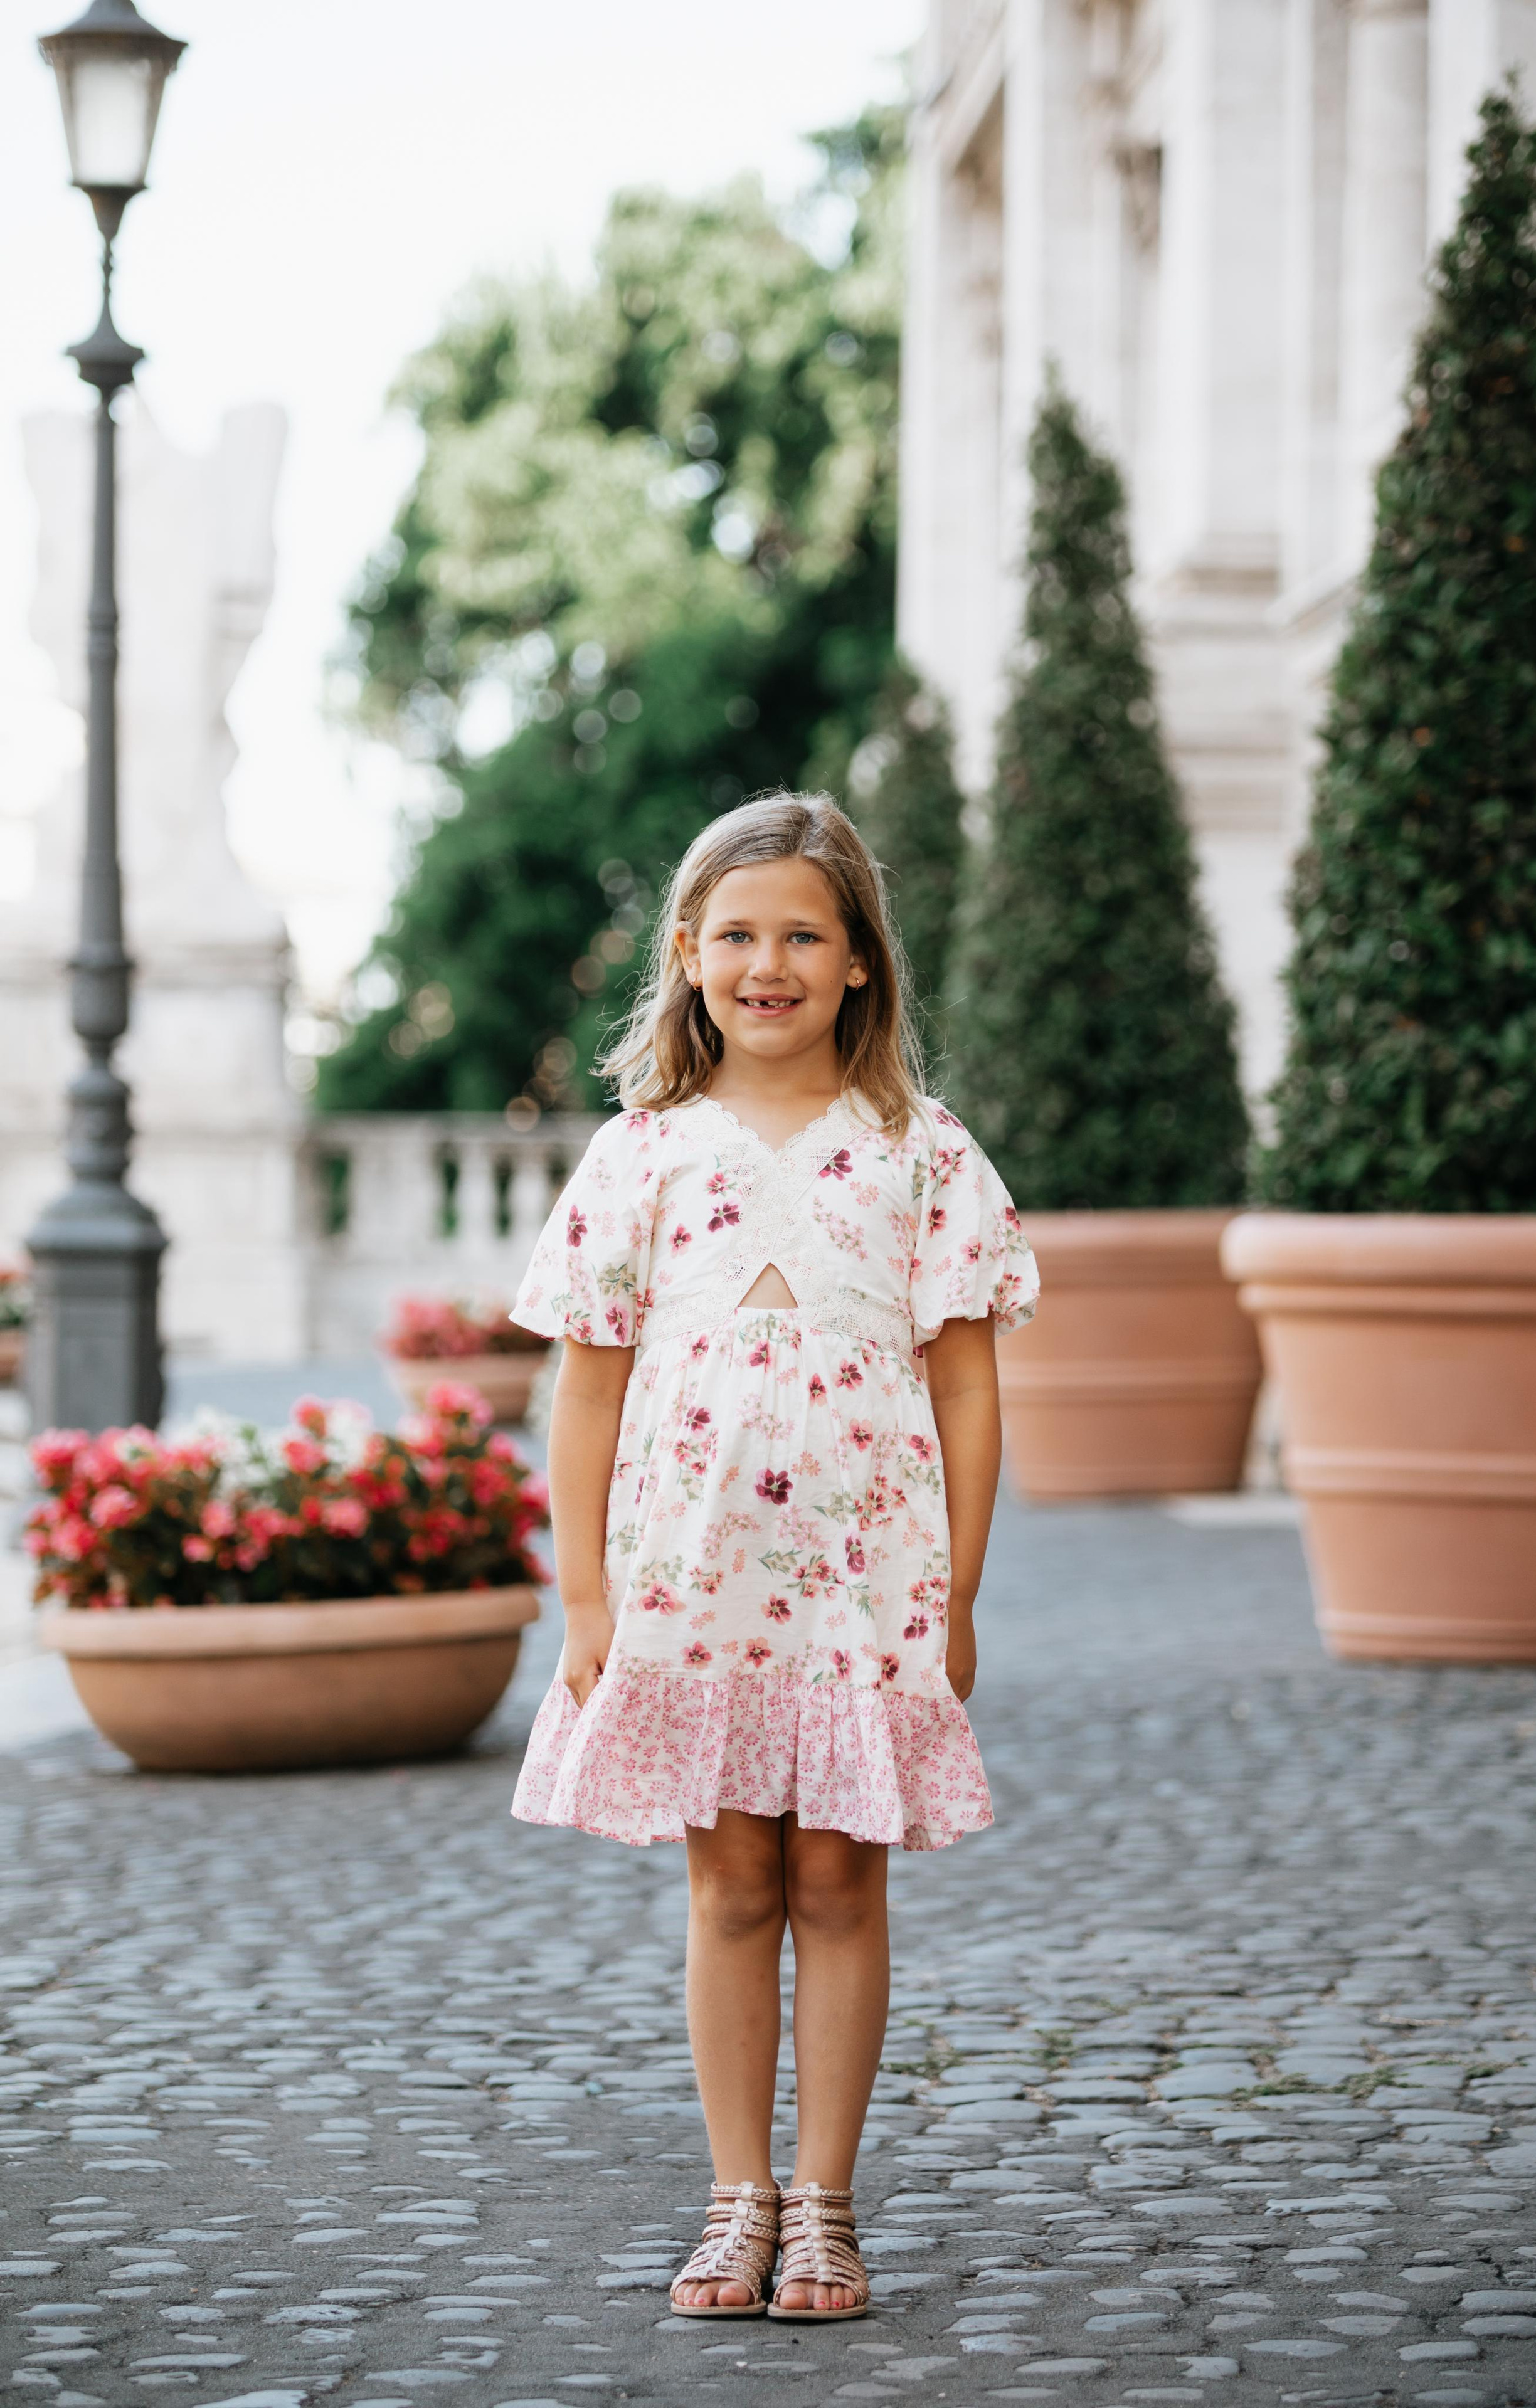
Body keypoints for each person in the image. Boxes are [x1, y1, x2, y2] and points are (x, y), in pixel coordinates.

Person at [507, 791, 1038, 2321]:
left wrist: (959, 1590)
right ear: (685, 956)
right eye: (735, 934)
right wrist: (590, 1598)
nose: (768, 962)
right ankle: (734, 2197)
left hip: (864, 1579)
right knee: (731, 1881)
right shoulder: (640, 1154)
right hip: (692, 1579)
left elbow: (965, 1385)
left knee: (839, 1877)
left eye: (804, 933)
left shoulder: (919, 1152)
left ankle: (823, 2204)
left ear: (860, 961)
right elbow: (590, 1380)